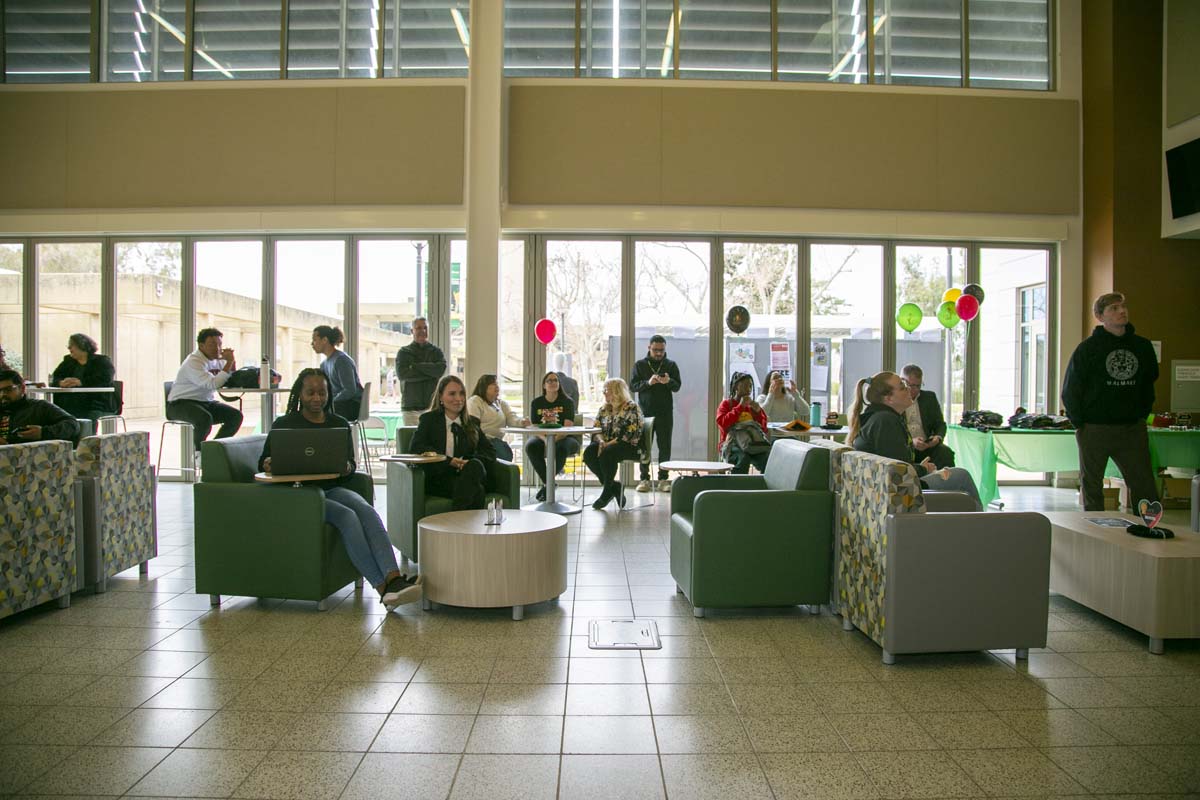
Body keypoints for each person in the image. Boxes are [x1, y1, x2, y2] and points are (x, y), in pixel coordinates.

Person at [260, 369, 420, 609]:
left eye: (322, 392)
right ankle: (382, 587)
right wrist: (269, 462)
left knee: (365, 510)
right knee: (348, 517)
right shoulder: (285, 424)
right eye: (311, 392)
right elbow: (263, 461)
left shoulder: (338, 423)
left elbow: (351, 464)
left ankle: (393, 578)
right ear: (300, 394)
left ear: (329, 394)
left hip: (331, 488)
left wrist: (346, 466)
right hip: (299, 494)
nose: (317, 398)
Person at [1062, 292, 1160, 511]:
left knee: (1143, 482)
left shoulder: (1142, 347)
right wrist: (1080, 423)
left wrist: (1141, 415)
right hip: (1094, 427)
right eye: (1113, 309)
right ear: (1100, 316)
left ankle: (1150, 526)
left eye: (1123, 307)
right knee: (1092, 483)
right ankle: (1094, 529)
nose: (1121, 311)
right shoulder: (1088, 349)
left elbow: (1149, 382)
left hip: (1131, 427)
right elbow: (1071, 388)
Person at [847, 371, 982, 508]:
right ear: (889, 399)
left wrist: (921, 467)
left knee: (944, 456)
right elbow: (899, 472)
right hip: (900, 492)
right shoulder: (886, 421)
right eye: (902, 387)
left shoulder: (878, 417)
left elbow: (895, 462)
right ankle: (985, 525)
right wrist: (923, 469)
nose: (909, 390)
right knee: (961, 476)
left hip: (886, 488)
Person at [409, 375, 496, 510]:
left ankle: (455, 524)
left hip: (468, 473)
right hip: (440, 477)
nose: (458, 399)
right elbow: (416, 448)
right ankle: (466, 527)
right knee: (477, 490)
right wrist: (449, 461)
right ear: (440, 397)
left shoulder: (472, 423)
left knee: (475, 466)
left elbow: (490, 452)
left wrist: (466, 461)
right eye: (452, 394)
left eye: (461, 394)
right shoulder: (429, 420)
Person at [167, 328, 244, 452]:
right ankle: (199, 453)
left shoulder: (218, 360)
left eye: (220, 344)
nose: (217, 349)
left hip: (205, 402)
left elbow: (229, 378)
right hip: (180, 404)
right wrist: (228, 362)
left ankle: (213, 450)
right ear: (201, 345)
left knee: (235, 416)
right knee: (204, 419)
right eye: (212, 345)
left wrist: (231, 362)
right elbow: (212, 384)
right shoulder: (194, 361)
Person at [629, 335, 681, 493]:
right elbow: (633, 386)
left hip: (665, 412)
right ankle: (644, 479)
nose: (659, 353)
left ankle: (663, 479)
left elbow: (677, 386)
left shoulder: (670, 365)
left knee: (665, 446)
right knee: (644, 446)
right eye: (655, 350)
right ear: (649, 348)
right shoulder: (640, 365)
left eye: (662, 350)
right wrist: (648, 383)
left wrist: (668, 382)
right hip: (645, 412)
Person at [584, 378, 644, 510]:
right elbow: (596, 429)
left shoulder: (631, 407)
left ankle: (606, 492)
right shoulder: (604, 409)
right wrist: (600, 441)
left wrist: (606, 444)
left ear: (617, 392)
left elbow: (629, 434)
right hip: (606, 445)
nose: (604, 393)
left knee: (608, 453)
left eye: (606, 390)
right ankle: (614, 487)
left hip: (629, 446)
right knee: (589, 452)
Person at [526, 371, 581, 502]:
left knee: (560, 448)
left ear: (559, 384)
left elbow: (567, 427)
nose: (553, 383)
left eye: (555, 380)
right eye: (549, 381)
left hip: (565, 438)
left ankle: (547, 486)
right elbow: (535, 427)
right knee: (531, 446)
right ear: (544, 385)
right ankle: (549, 484)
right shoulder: (536, 403)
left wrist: (553, 440)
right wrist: (546, 440)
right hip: (542, 437)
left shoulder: (567, 402)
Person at [0, 369, 81, 446]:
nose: (2, 394)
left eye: (8, 390)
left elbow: (72, 425)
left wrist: (43, 432)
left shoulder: (39, 407)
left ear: (22, 388)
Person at [49, 333, 116, 422]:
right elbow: (54, 378)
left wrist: (81, 382)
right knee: (55, 411)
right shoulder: (68, 361)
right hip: (70, 401)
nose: (69, 348)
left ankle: (86, 434)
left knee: (81, 412)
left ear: (83, 346)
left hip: (96, 401)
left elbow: (105, 379)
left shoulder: (102, 361)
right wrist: (61, 382)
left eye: (71, 345)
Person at [899, 364, 955, 469]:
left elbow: (940, 424)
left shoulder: (929, 398)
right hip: (906, 447)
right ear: (902, 382)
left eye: (918, 386)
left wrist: (937, 438)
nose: (914, 390)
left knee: (945, 452)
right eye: (911, 385)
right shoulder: (895, 400)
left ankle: (946, 483)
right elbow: (893, 431)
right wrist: (911, 442)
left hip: (927, 445)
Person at [717, 371, 772, 474]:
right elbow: (722, 423)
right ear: (736, 387)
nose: (748, 389)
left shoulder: (752, 407)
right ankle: (739, 486)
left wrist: (758, 413)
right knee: (742, 458)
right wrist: (739, 408)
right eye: (745, 386)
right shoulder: (726, 404)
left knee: (767, 458)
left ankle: (764, 486)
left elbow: (763, 429)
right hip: (731, 444)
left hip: (752, 443)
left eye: (750, 386)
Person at [396, 317, 447, 426]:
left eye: (425, 328)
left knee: (433, 442)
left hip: (432, 407)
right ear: (412, 331)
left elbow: (440, 370)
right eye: (418, 328)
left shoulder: (436, 352)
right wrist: (430, 372)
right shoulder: (404, 352)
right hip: (410, 408)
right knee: (411, 441)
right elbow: (402, 374)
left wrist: (415, 366)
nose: (422, 331)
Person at [466, 373, 523, 461]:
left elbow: (512, 419)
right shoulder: (476, 401)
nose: (497, 386)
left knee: (505, 451)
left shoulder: (501, 404)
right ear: (484, 387)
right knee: (502, 452)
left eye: (497, 384)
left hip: (497, 441)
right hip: (483, 441)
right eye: (493, 384)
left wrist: (522, 422)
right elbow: (473, 426)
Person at [312, 325, 363, 421]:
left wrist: (331, 401)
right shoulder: (324, 364)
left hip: (350, 405)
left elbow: (350, 390)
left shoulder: (341, 360)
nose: (312, 344)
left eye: (315, 340)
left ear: (325, 340)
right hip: (338, 404)